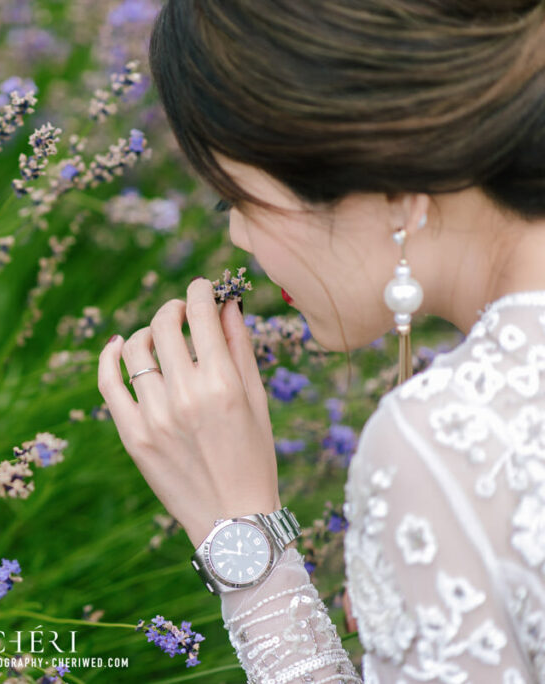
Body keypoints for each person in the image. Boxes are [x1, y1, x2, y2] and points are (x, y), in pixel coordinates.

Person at [96, 1, 545, 681]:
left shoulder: (447, 447)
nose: (237, 238)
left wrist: (241, 536)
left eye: (234, 198)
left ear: (382, 166)